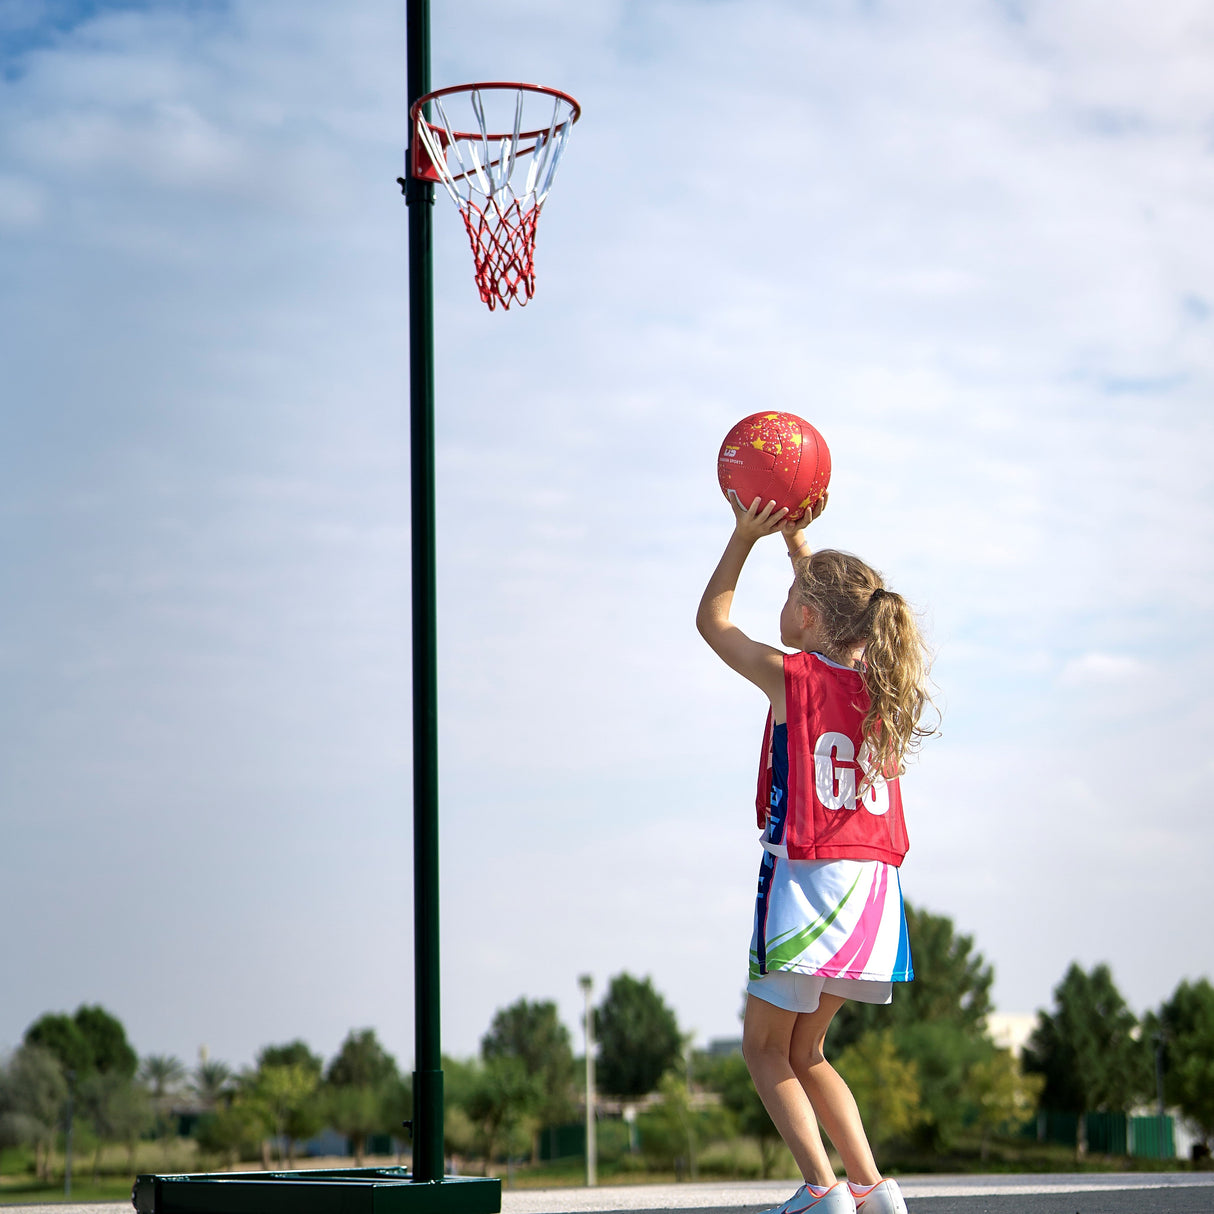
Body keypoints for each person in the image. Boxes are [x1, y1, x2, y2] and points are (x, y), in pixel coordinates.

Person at [696, 492, 935, 1214]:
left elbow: (713, 622)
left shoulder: (791, 678)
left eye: (793, 592)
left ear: (806, 618)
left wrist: (745, 536)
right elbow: (839, 616)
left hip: (809, 878)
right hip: (874, 891)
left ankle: (821, 1190)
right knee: (808, 1052)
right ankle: (871, 1187)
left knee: (763, 1051)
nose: (788, 597)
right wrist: (800, 545)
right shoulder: (883, 691)